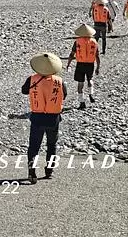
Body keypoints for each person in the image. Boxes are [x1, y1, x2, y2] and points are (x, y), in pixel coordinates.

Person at [21, 52, 67, 184]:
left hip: (37, 117)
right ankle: (49, 170)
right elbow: (64, 94)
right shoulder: (59, 81)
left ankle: (31, 172)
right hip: (53, 118)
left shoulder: (32, 79)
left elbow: (24, 91)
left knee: (34, 146)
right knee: (52, 145)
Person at [65, 24, 100, 109]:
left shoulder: (77, 42)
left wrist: (68, 64)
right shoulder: (94, 42)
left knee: (80, 83)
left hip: (80, 64)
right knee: (90, 80)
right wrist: (98, 67)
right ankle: (91, 93)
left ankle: (82, 102)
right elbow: (97, 56)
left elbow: (72, 54)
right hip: (90, 64)